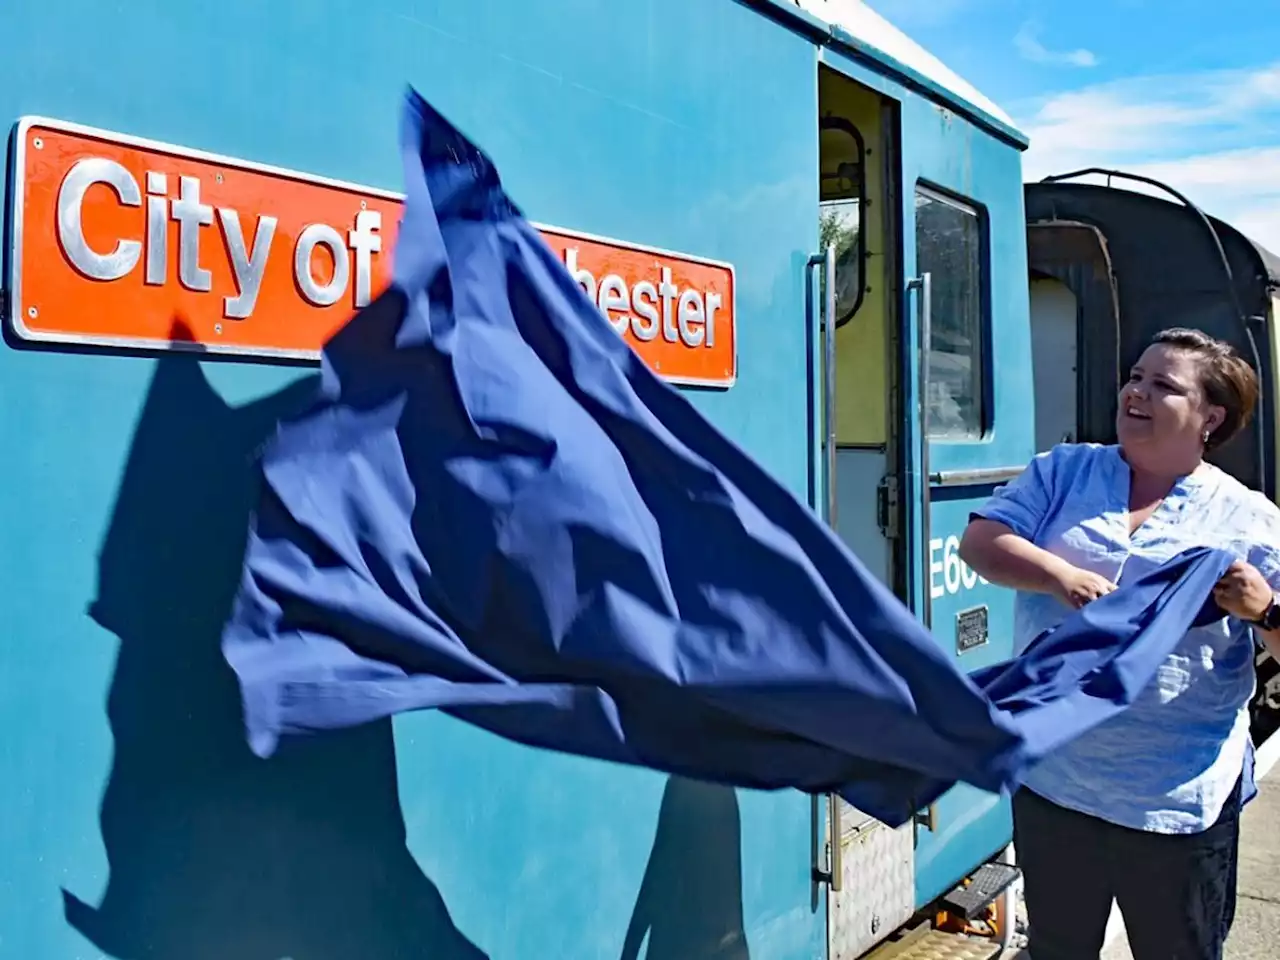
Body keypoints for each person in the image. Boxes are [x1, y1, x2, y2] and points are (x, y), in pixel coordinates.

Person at [959, 327, 1280, 960]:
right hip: (1055, 781)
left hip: (1173, 805)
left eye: (1163, 385)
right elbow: (982, 544)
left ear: (1210, 416)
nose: (1136, 392)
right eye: (1135, 377)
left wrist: (1263, 607)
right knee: (1058, 949)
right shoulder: (1066, 471)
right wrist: (1063, 577)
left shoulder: (1247, 517)